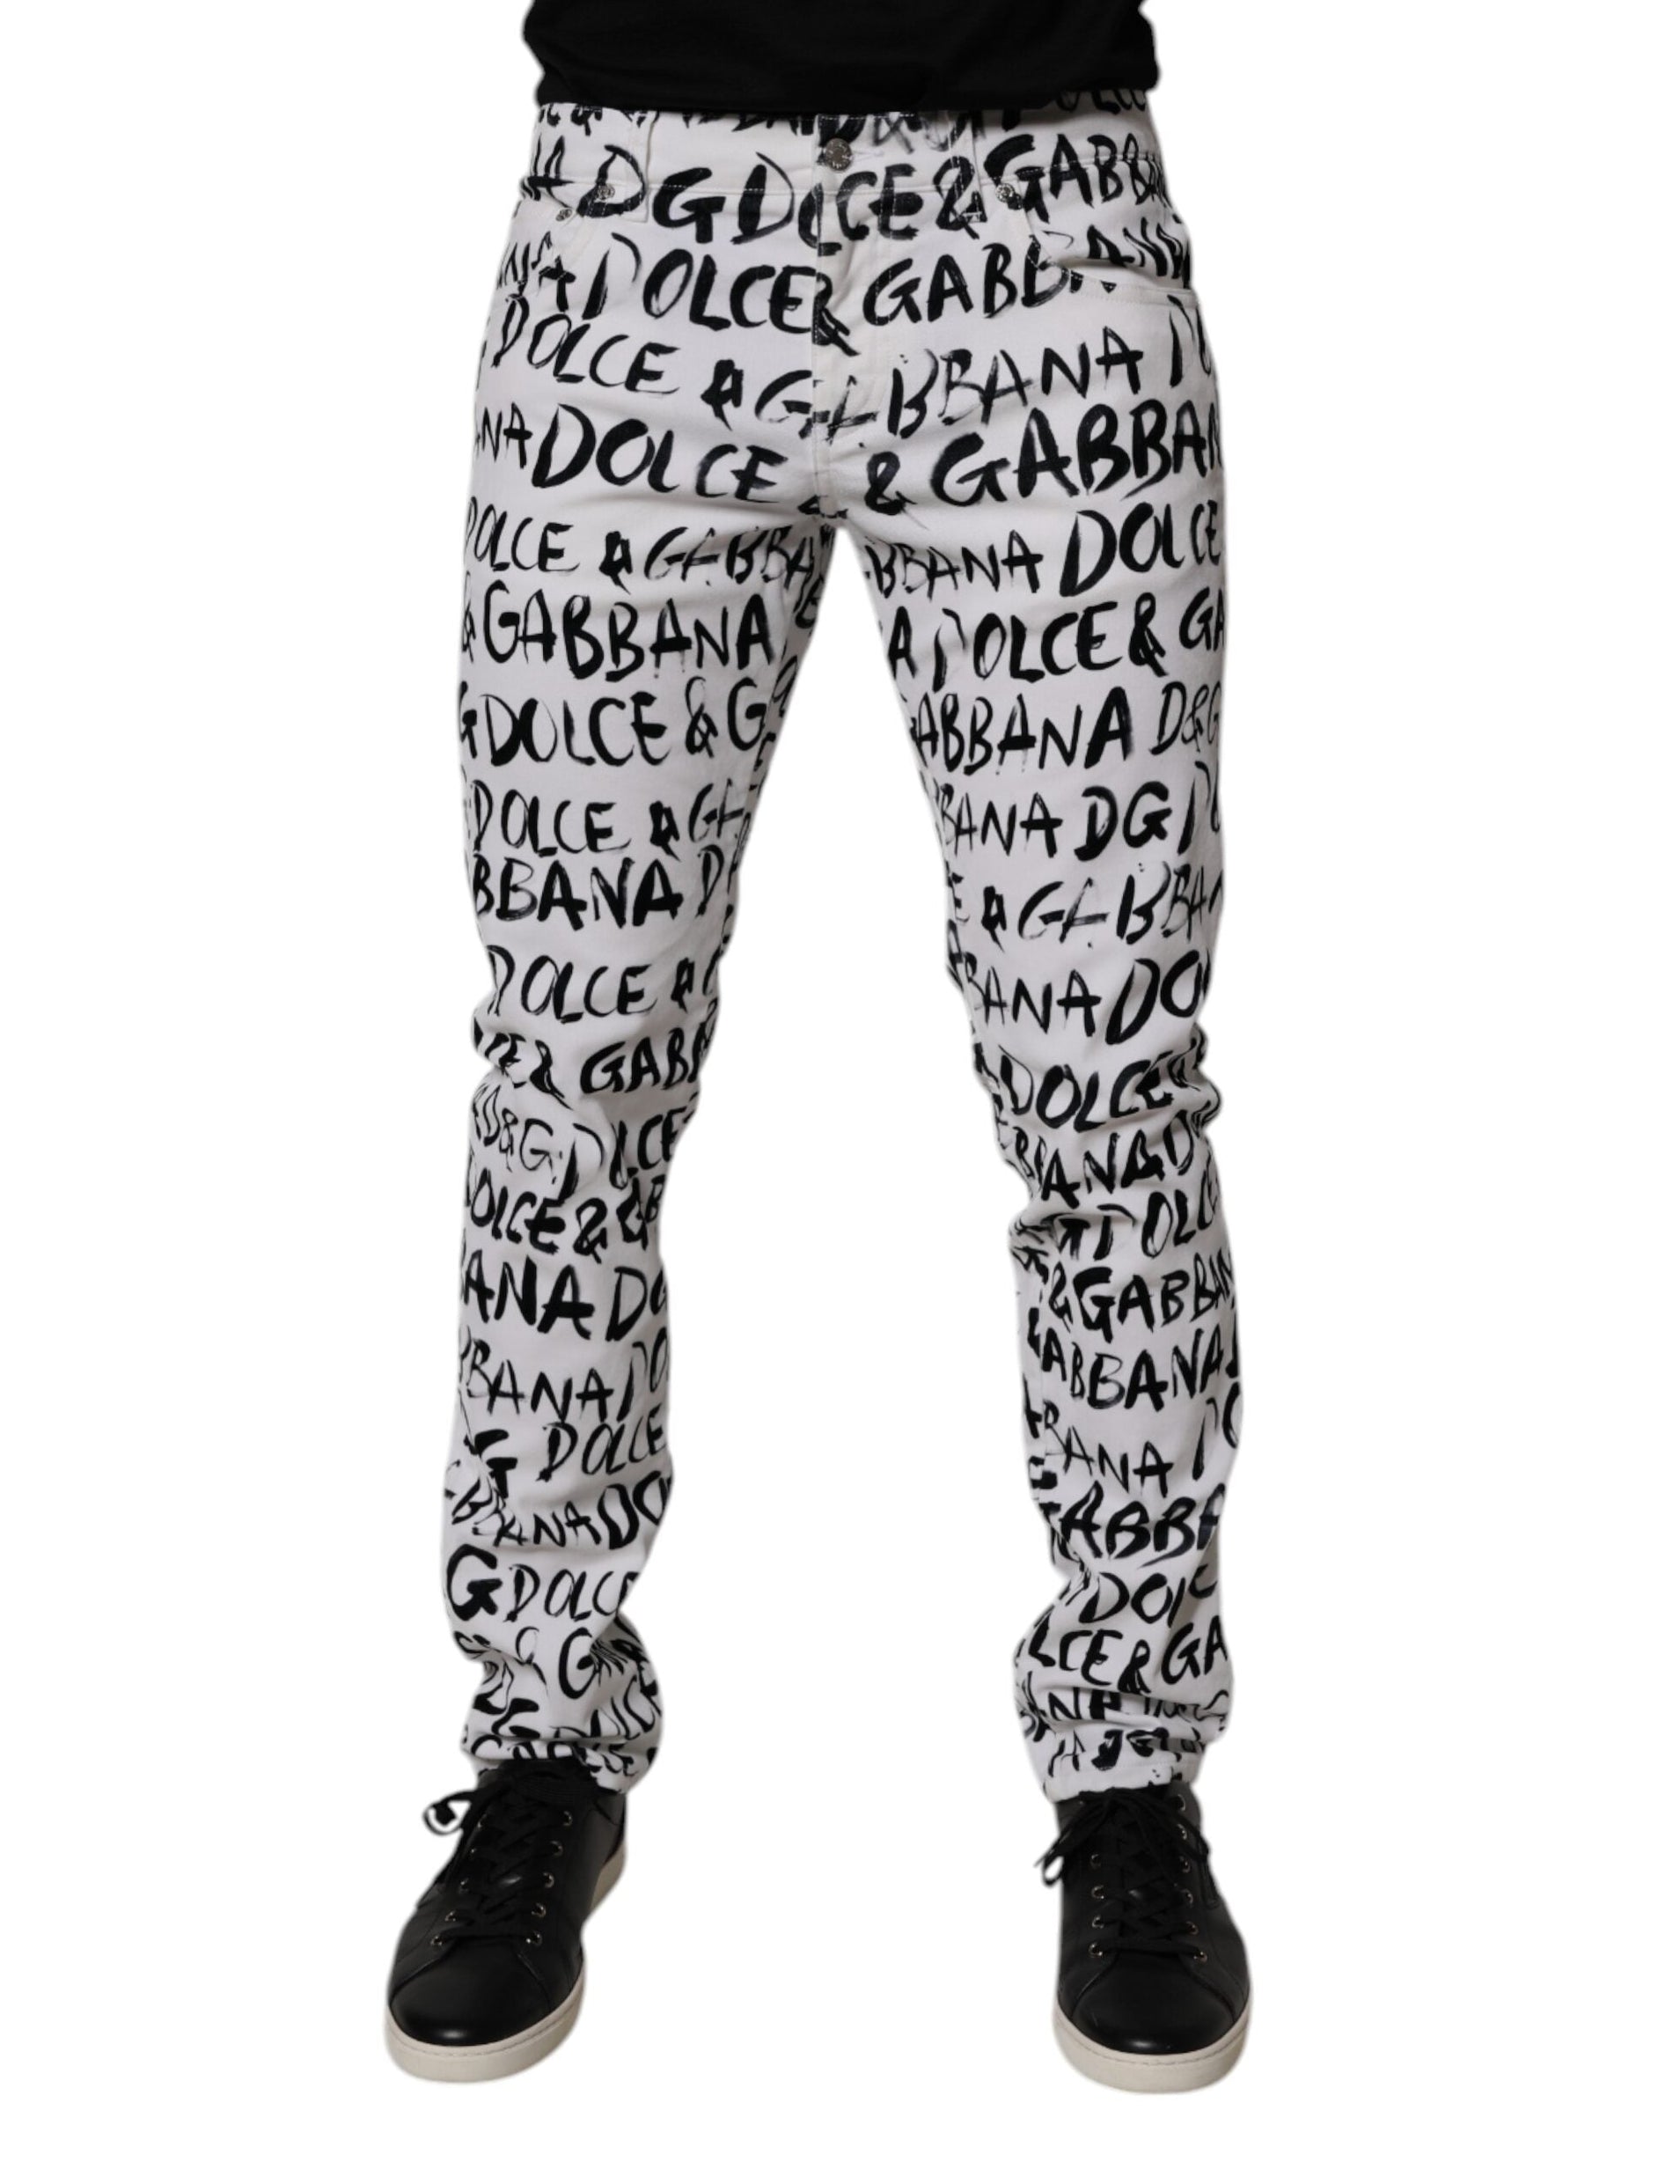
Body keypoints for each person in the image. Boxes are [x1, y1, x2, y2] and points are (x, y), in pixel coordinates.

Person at [385, 0, 1251, 2092]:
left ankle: (1131, 1765)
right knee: (572, 1062)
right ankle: (541, 1741)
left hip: (1040, 224)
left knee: (1104, 1080)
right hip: (637, 224)